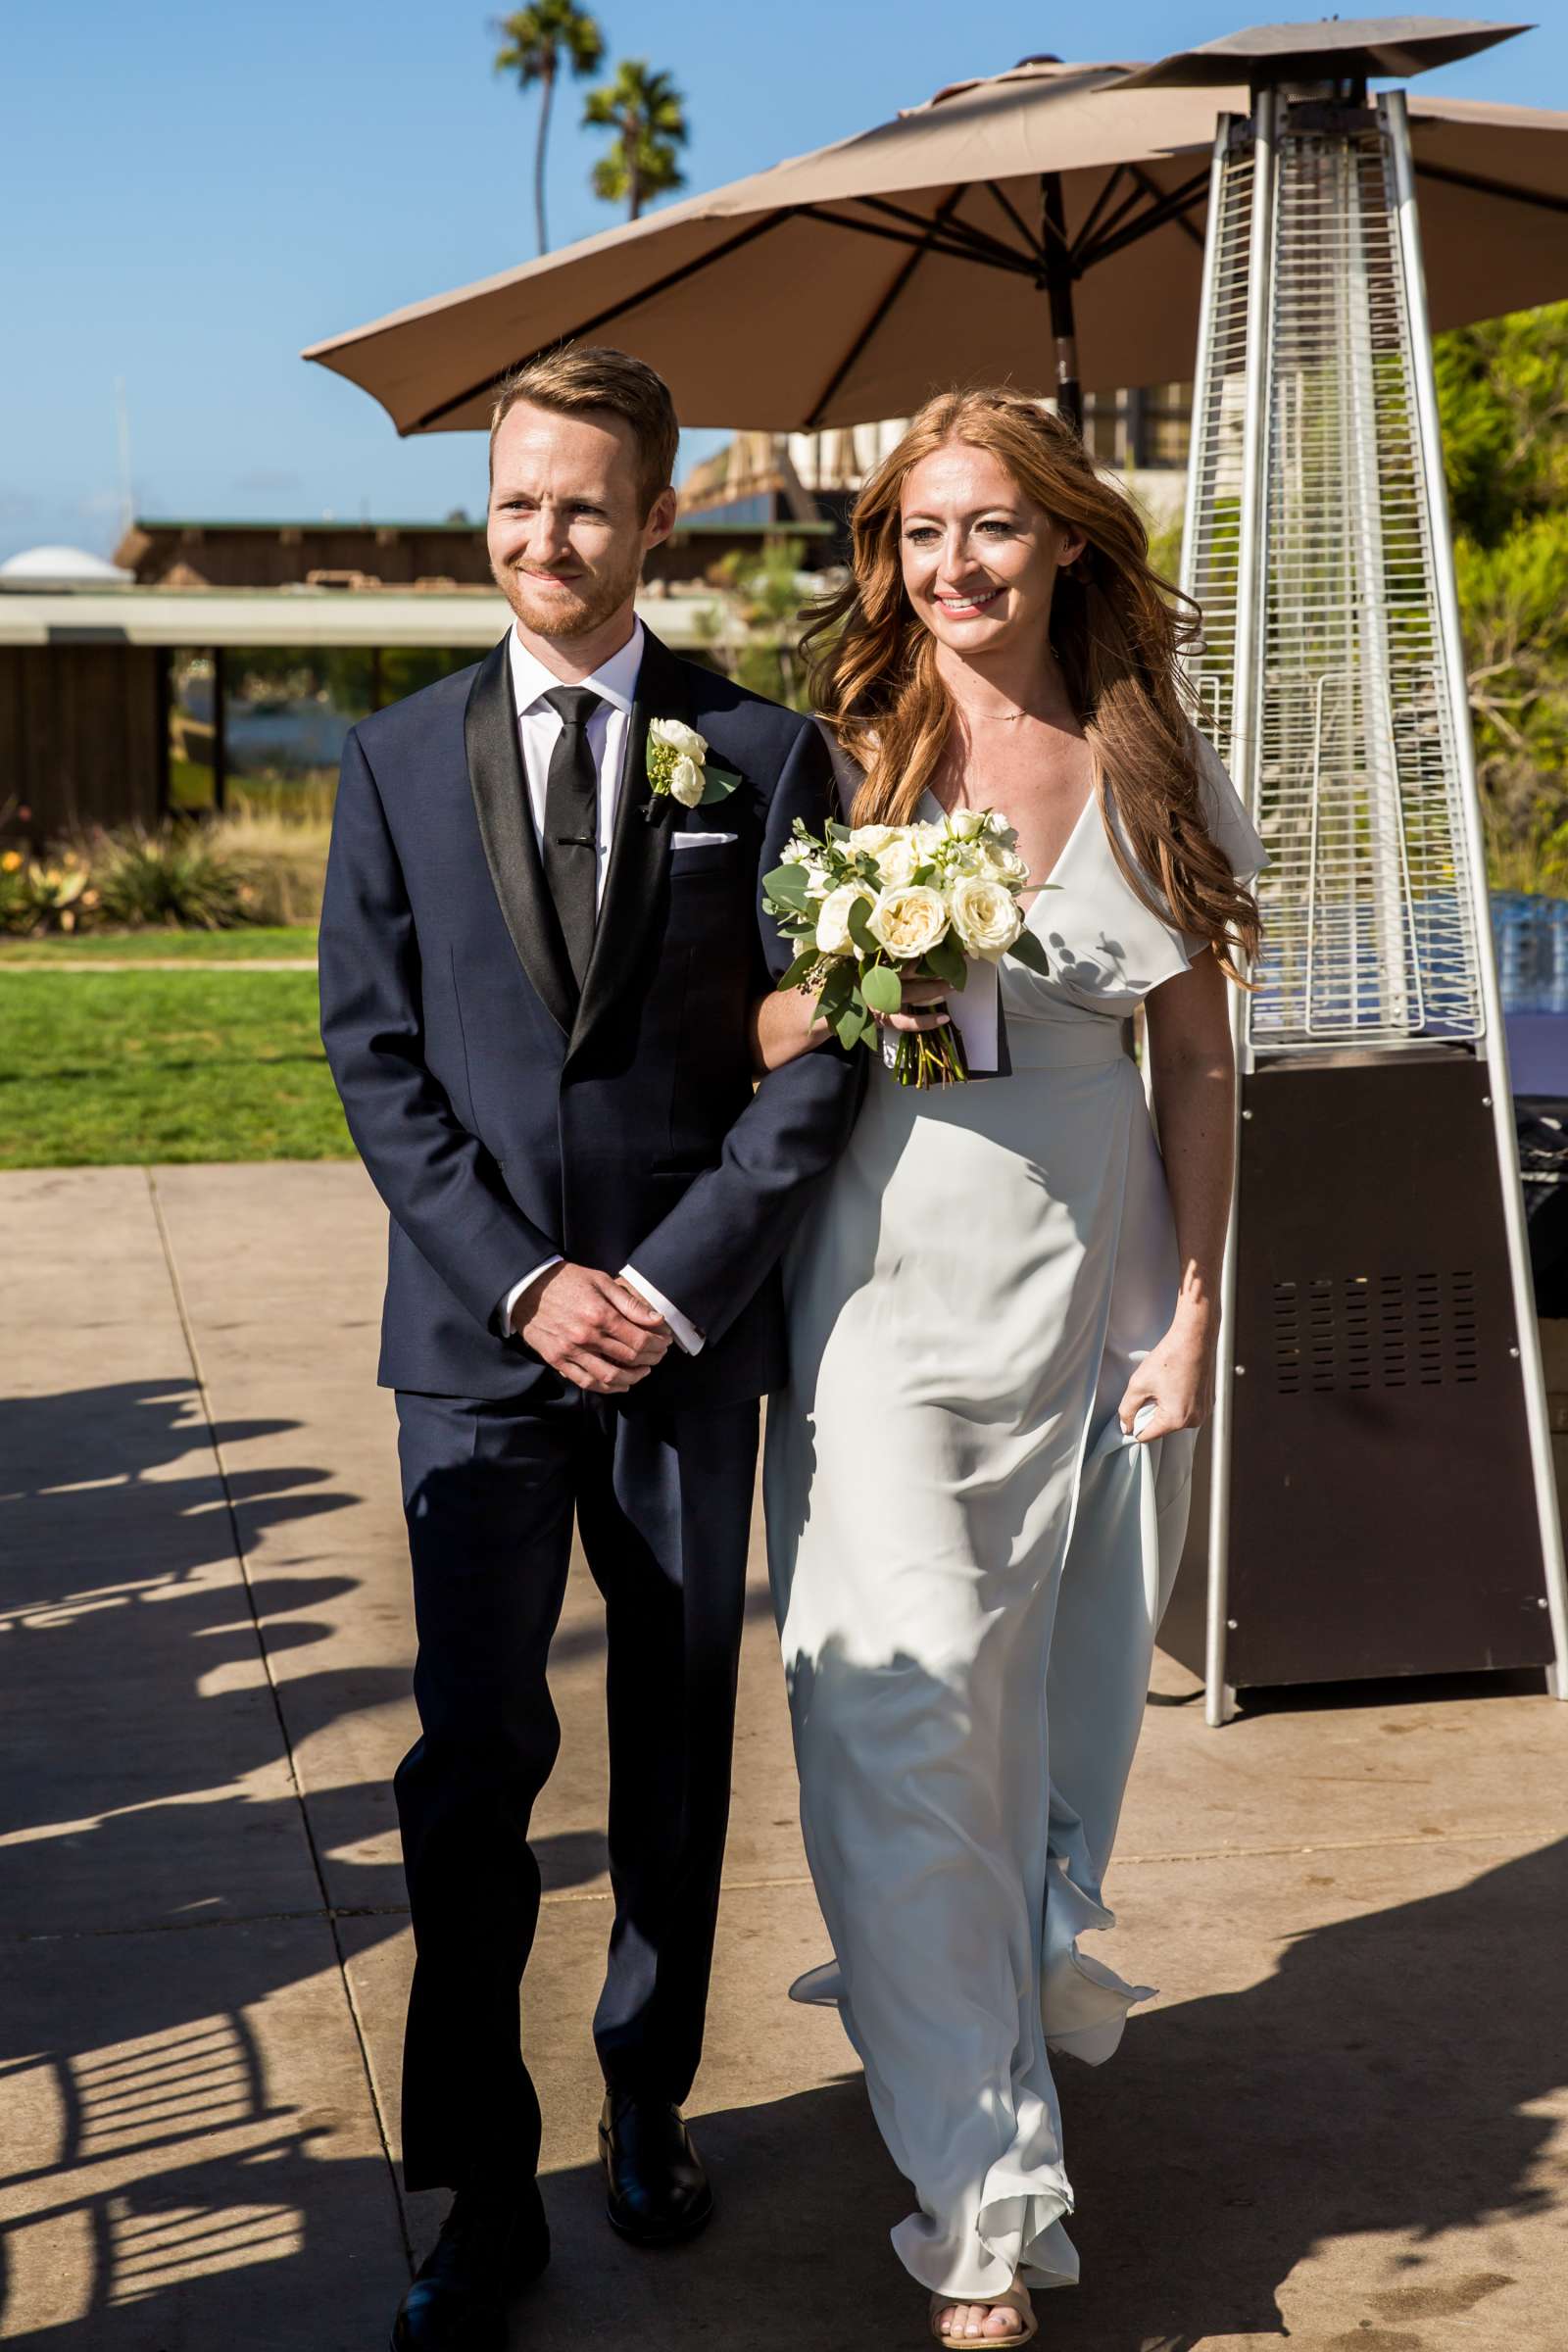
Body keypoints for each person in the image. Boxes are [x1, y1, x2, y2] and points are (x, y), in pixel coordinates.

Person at [318, 344, 862, 2352]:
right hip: (476, 1352)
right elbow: (375, 1062)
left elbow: (822, 1059)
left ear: (658, 520)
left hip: (686, 1345)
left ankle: (646, 2102)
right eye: (516, 499)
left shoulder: (763, 757)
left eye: (582, 503)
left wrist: (677, 1278)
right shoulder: (387, 761)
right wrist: (522, 1281)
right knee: (473, 1768)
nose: (543, 536)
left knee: (671, 1755)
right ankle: (480, 2182)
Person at [758, 388, 1264, 2349]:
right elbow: (755, 1026)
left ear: (1063, 542)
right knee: (898, 1722)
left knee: (1047, 1719)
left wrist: (1195, 1305)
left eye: (987, 529)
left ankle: (1011, 1983)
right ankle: (981, 2202)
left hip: (1097, 1279)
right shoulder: (841, 758)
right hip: (884, 1291)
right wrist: (871, 966)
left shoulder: (1147, 759)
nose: (947, 568)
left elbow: (1199, 1066)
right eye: (913, 534)